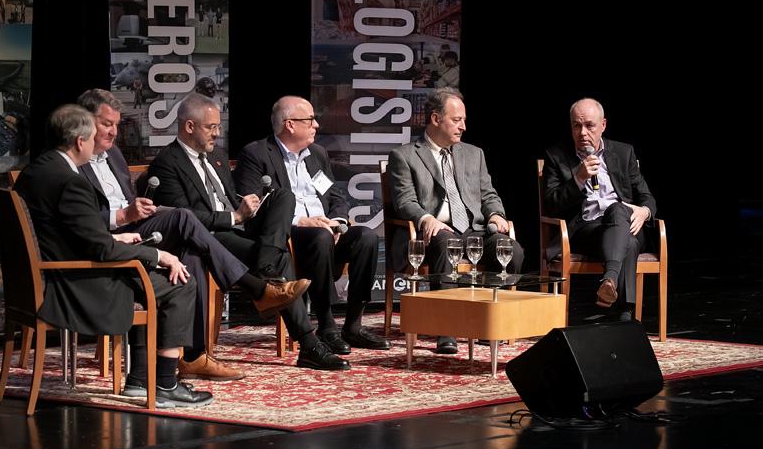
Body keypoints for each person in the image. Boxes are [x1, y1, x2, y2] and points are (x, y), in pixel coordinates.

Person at [75, 89, 309, 381]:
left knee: (278, 204)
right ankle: (261, 290)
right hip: (124, 237)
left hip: (169, 230)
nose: (114, 131)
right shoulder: (77, 164)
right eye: (106, 124)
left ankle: (196, 355)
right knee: (185, 220)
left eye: (116, 125)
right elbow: (81, 220)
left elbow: (225, 196)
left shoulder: (114, 155)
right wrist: (124, 215)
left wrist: (243, 208)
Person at [14, 104, 210, 407]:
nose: (97, 142)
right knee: (180, 283)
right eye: (94, 136)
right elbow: (102, 251)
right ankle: (165, 384)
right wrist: (158, 255)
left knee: (148, 277)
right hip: (75, 284)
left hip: (51, 273)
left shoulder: (35, 171)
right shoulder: (71, 182)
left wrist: (115, 237)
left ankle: (140, 379)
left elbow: (66, 231)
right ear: (80, 141)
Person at [148, 93, 349, 371]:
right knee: (281, 257)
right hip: (209, 237)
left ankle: (267, 270)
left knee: (283, 197)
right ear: (189, 126)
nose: (217, 134)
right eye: (211, 127)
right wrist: (233, 216)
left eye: (218, 126)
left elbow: (232, 197)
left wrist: (247, 205)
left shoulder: (216, 156)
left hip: (240, 229)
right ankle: (308, 344)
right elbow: (184, 217)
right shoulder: (167, 162)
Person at [234, 96, 391, 356]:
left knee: (366, 237)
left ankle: (353, 325)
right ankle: (326, 326)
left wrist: (338, 222)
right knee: (320, 236)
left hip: (327, 231)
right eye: (310, 120)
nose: (316, 125)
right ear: (290, 124)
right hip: (290, 237)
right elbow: (254, 210)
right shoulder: (256, 154)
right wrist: (301, 221)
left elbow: (336, 196)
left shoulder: (317, 154)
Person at [387, 87, 524, 354]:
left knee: (510, 249)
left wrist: (496, 213)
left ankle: (489, 322)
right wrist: (426, 218)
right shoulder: (404, 155)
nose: (463, 127)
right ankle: (446, 329)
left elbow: (488, 194)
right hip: (432, 234)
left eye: (464, 120)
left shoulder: (474, 154)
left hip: (474, 231)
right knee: (446, 241)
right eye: (457, 120)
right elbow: (404, 201)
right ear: (435, 119)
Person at [542, 98, 656, 319]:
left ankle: (609, 281)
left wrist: (644, 212)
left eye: (589, 125)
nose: (582, 133)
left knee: (617, 210)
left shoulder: (623, 153)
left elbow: (646, 196)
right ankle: (625, 317)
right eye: (577, 126)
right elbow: (551, 205)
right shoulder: (556, 156)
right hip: (587, 230)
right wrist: (578, 178)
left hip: (628, 223)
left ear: (603, 125)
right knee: (629, 243)